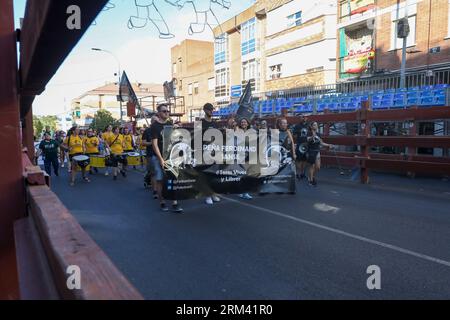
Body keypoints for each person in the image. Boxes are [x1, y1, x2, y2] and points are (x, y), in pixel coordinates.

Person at [151, 103, 183, 213]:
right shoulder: (154, 126)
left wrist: (176, 129)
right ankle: (162, 202)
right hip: (159, 157)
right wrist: (160, 159)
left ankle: (175, 202)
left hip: (171, 157)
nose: (167, 113)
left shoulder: (170, 123)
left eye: (168, 111)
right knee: (160, 180)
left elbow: (173, 139)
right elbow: (154, 144)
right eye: (164, 111)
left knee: (173, 179)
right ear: (159, 113)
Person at [202, 103, 221, 205]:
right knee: (206, 174)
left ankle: (213, 193)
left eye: (212, 110)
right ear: (204, 110)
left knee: (214, 174)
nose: (211, 111)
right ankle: (207, 195)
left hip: (214, 151)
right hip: (204, 152)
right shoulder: (200, 123)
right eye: (209, 109)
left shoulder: (215, 124)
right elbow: (196, 139)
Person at [306, 121, 334, 187]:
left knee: (318, 167)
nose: (316, 126)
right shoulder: (308, 133)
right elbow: (308, 140)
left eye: (316, 125)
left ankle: (312, 176)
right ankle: (311, 180)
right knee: (312, 166)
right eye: (314, 125)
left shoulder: (318, 134)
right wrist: (313, 135)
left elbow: (321, 143)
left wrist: (328, 145)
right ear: (311, 126)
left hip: (317, 151)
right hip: (311, 151)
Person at [236, 118, 253, 200]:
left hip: (249, 155)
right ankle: (243, 192)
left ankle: (244, 192)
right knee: (242, 174)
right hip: (240, 155)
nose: (243, 123)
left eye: (245, 122)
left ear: (248, 123)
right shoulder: (238, 131)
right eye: (242, 122)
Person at [292, 115, 309, 180]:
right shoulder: (297, 126)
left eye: (305, 117)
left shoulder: (308, 125)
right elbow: (294, 135)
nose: (304, 118)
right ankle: (297, 173)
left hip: (306, 144)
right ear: (300, 118)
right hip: (299, 144)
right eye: (302, 117)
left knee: (304, 160)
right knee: (299, 160)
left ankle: (302, 173)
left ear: (307, 118)